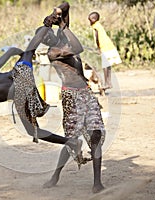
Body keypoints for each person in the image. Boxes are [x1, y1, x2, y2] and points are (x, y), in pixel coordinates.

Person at [0, 27, 83, 181]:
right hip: (21, 73)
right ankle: (47, 24)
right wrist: (24, 55)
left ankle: (71, 142)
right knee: (29, 49)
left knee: (34, 131)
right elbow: (10, 51)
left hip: (18, 92)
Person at [40, 2, 106, 193]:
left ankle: (97, 183)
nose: (49, 35)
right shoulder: (54, 52)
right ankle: (55, 176)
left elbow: (66, 5)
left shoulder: (62, 37)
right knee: (72, 140)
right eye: (45, 36)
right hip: (70, 97)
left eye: (48, 32)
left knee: (96, 134)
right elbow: (78, 48)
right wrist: (60, 24)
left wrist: (57, 12)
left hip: (86, 93)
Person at [88, 11, 122, 90]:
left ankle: (107, 83)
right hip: (108, 45)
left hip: (104, 47)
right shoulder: (98, 25)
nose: (90, 22)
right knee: (108, 65)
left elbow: (97, 38)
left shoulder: (95, 26)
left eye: (91, 20)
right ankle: (108, 83)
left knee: (105, 66)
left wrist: (98, 48)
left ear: (95, 19)